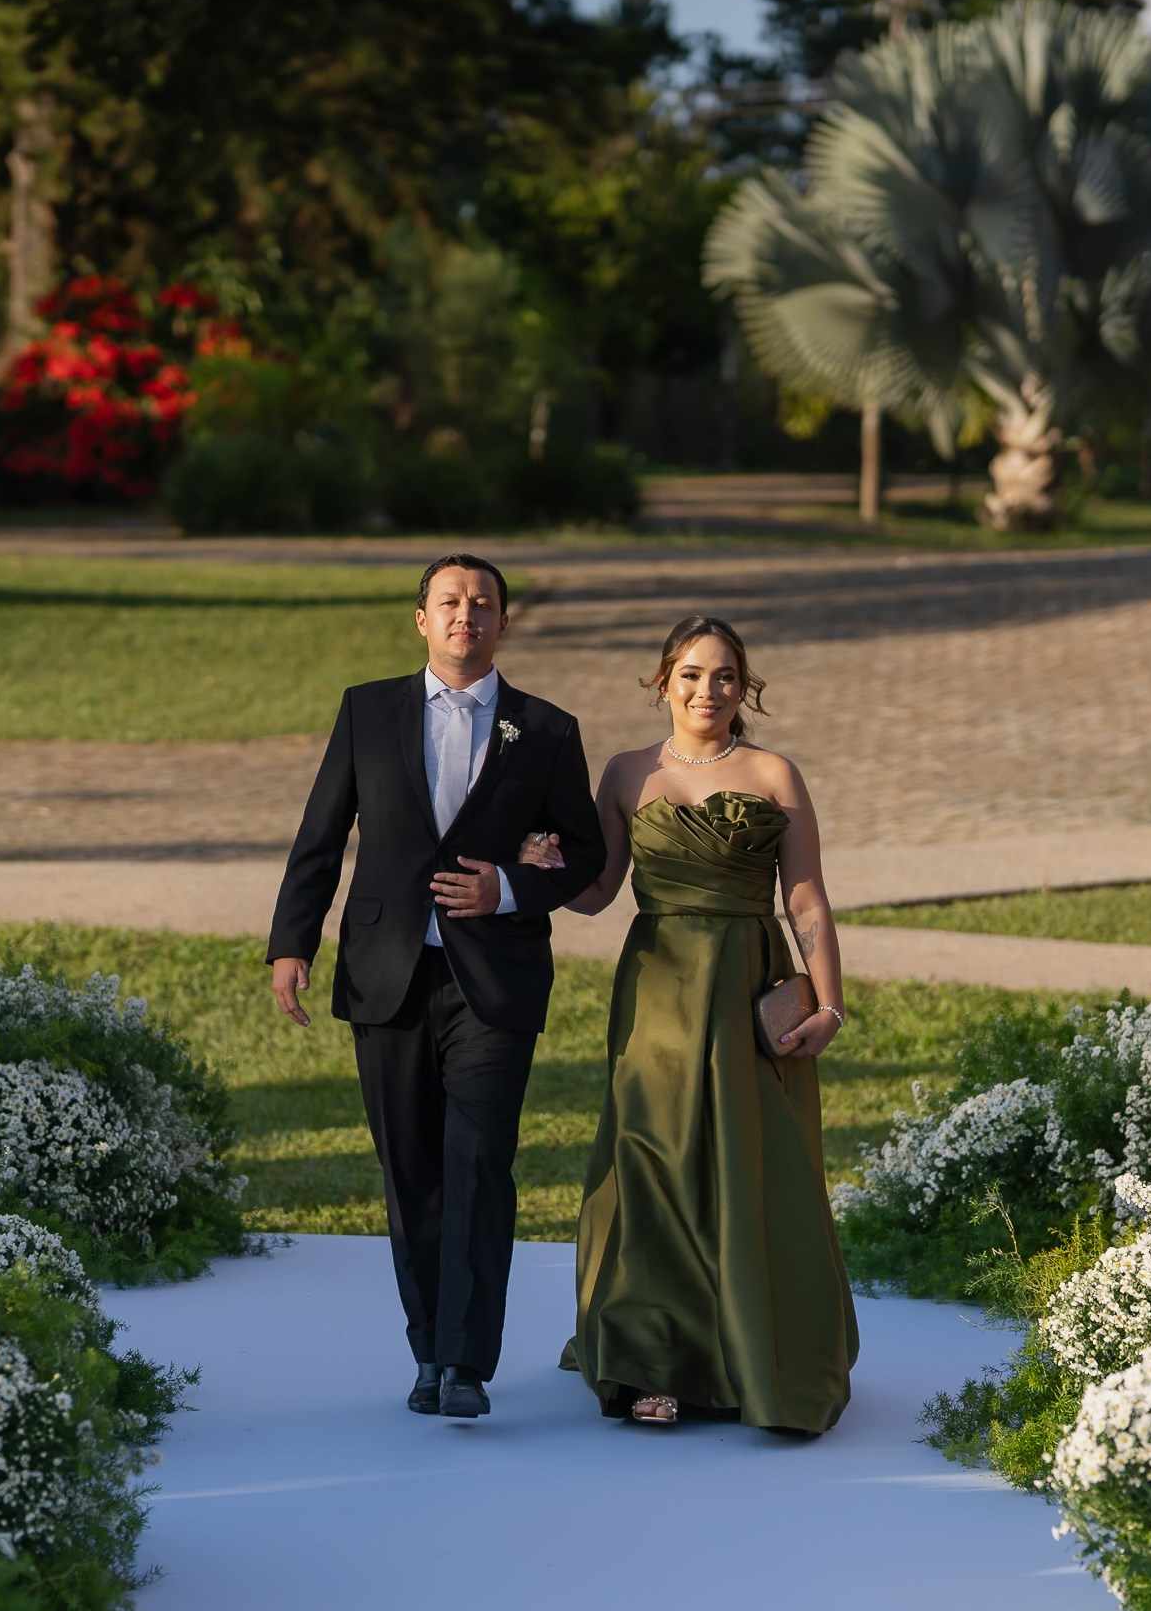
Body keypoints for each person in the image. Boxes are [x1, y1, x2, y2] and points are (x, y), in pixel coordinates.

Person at [266, 554, 605, 1421]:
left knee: (480, 1162)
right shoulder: (366, 709)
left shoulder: (548, 730)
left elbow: (586, 852)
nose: (467, 615)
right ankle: (427, 1350)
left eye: (482, 603)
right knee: (410, 1168)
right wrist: (291, 943)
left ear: (503, 621)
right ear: (421, 618)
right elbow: (320, 834)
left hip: (496, 979)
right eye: (450, 602)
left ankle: (465, 1365)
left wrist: (511, 887)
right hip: (387, 973)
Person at [524, 616, 859, 1433]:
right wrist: (539, 866)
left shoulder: (775, 772)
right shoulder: (626, 774)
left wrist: (829, 1000)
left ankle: (752, 1355)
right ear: (662, 681)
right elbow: (600, 891)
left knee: (752, 1162)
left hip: (747, 983)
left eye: (724, 677)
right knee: (654, 1159)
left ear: (744, 688)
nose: (707, 691)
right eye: (691, 675)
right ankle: (653, 1362)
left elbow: (805, 896)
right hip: (660, 992)